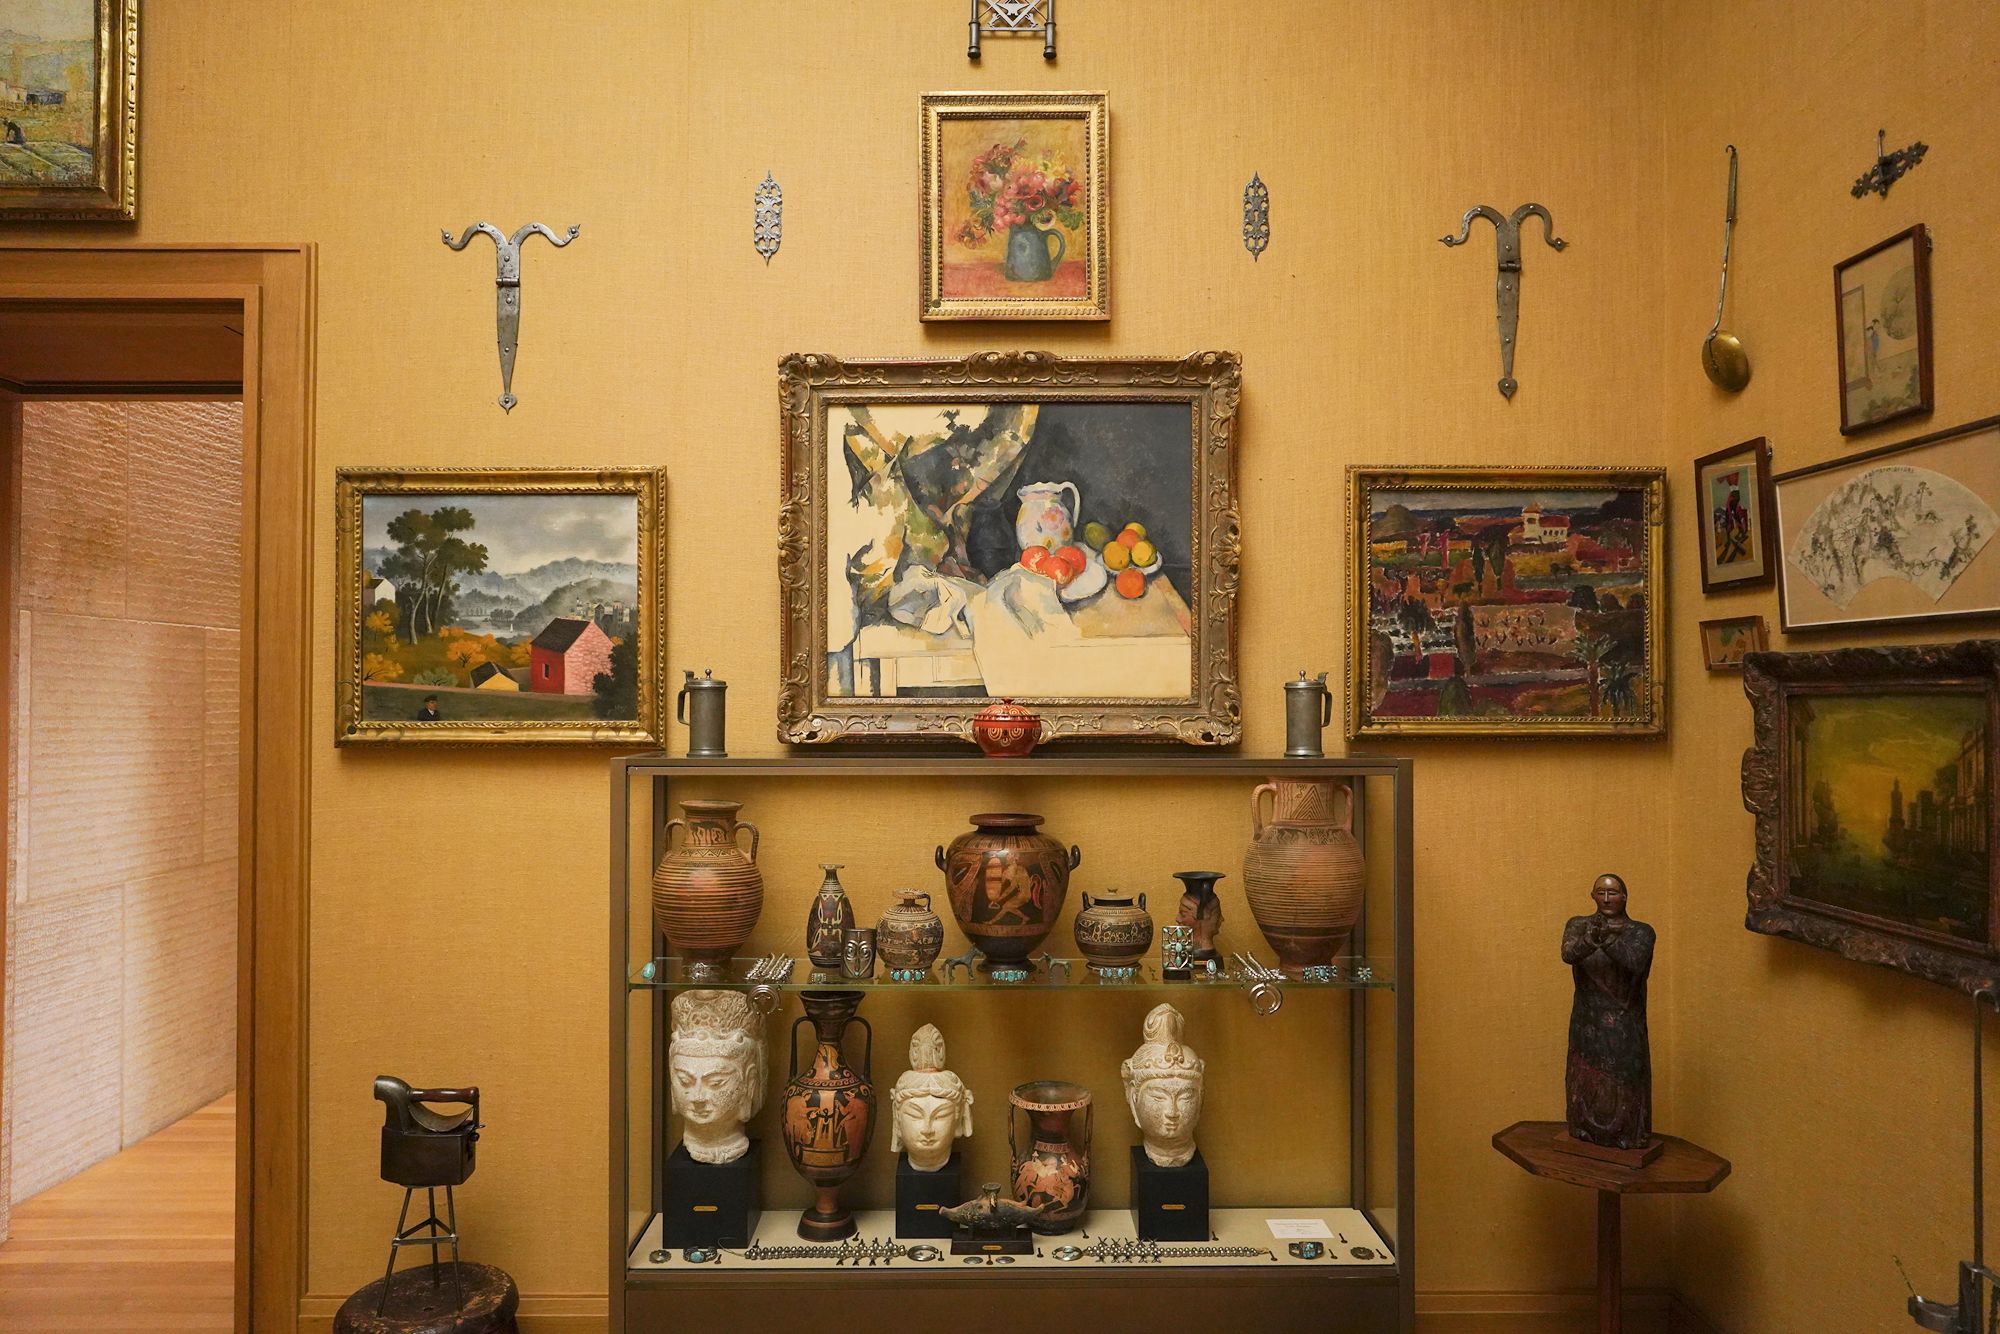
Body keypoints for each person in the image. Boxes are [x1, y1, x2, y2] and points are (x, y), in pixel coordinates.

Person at [1561, 874, 1655, 1150]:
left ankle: (1627, 1133)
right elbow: (1568, 954)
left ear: (1624, 897)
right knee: (1585, 1074)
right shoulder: (1578, 925)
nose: (1606, 898)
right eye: (1600, 892)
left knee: (1625, 1074)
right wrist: (1591, 939)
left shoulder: (1641, 932)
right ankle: (1584, 1127)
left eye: (1612, 893)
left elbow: (1635, 961)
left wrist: (1608, 941)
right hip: (1587, 1019)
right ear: (1592, 895)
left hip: (1624, 1020)